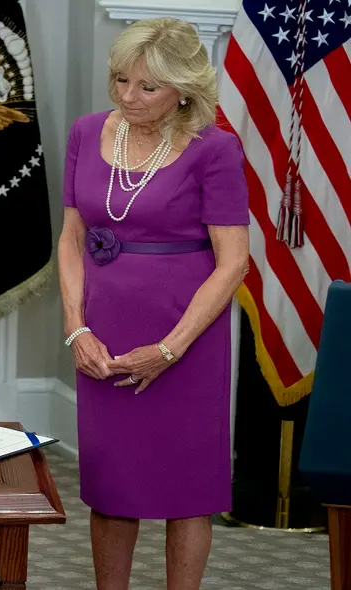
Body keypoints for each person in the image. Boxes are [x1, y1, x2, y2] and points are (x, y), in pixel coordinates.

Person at [57, 18, 249, 590]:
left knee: (187, 494)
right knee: (112, 488)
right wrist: (76, 328)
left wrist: (170, 348)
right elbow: (71, 239)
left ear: (184, 89)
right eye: (121, 80)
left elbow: (233, 263)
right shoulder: (85, 132)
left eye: (147, 87)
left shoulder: (216, 150)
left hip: (186, 338)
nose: (128, 96)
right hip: (102, 335)